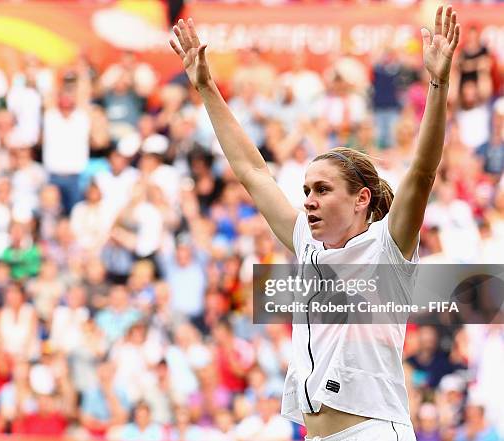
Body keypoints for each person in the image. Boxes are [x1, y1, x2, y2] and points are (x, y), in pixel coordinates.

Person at [169, 5, 460, 440]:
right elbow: (252, 171)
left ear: (361, 199)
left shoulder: (388, 249)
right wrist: (207, 87)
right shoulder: (307, 243)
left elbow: (421, 172)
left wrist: (437, 84)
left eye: (322, 190)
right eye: (306, 190)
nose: (308, 201)